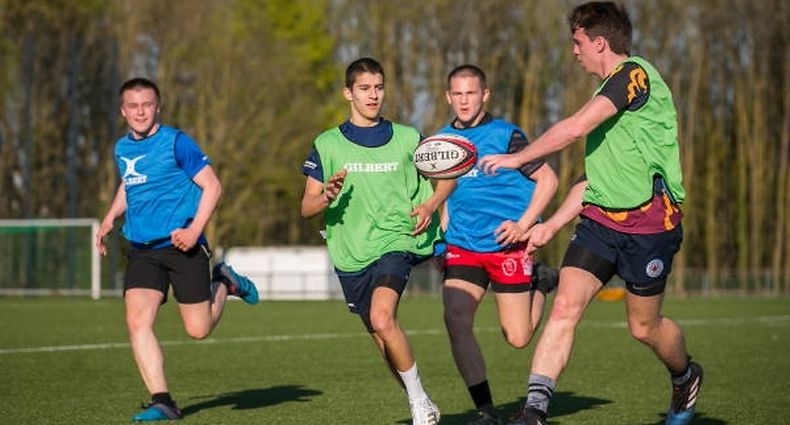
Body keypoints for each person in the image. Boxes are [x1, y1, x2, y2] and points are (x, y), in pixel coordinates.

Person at [479, 3, 702, 425]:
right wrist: (550, 226)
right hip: (600, 223)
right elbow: (591, 180)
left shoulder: (633, 76)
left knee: (644, 328)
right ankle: (534, 410)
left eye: (577, 42)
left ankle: (685, 374)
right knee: (564, 306)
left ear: (599, 42)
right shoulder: (604, 98)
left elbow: (575, 128)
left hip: (650, 226)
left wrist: (517, 158)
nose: (573, 51)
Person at [95, 77, 259, 422]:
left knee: (198, 330)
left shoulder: (176, 143)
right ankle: (163, 401)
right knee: (137, 321)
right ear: (123, 111)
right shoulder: (122, 149)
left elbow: (213, 187)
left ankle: (225, 283)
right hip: (142, 249)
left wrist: (194, 229)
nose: (141, 112)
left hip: (183, 247)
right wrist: (110, 216)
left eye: (147, 105)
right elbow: (131, 181)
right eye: (133, 106)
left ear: (158, 107)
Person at [301, 57, 452, 425]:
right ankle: (423, 401)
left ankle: (419, 409)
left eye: (379, 87)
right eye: (365, 88)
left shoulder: (408, 138)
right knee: (382, 339)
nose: (374, 95)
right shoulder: (326, 144)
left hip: (396, 239)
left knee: (384, 318)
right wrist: (328, 195)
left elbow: (448, 177)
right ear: (348, 93)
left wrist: (431, 204)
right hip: (351, 251)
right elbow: (307, 206)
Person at [437, 65, 559, 425]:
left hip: (507, 246)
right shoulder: (441, 142)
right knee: (455, 320)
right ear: (448, 97)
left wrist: (524, 226)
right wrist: (443, 239)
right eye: (457, 94)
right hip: (462, 245)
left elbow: (548, 181)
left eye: (471, 93)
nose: (463, 101)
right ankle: (486, 411)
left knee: (518, 338)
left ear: (485, 94)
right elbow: (443, 192)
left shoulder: (508, 135)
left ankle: (541, 281)